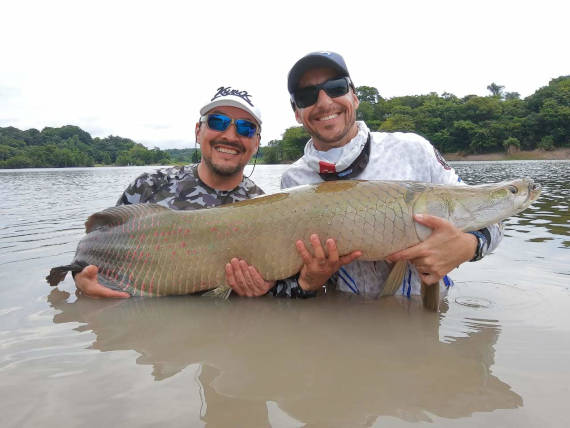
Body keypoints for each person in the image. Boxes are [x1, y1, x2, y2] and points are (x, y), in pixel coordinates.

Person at [269, 51, 503, 299]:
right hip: (346, 316)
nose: (325, 102)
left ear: (354, 97)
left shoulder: (413, 150)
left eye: (336, 87)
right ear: (296, 112)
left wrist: (468, 246)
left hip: (426, 317)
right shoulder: (293, 180)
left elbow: (493, 217)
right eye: (307, 96)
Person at [74, 85, 276, 298]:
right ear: (198, 131)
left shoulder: (269, 208)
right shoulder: (149, 186)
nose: (230, 136)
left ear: (256, 143)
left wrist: (267, 289)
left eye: (246, 128)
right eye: (219, 122)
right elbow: (95, 245)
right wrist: (81, 277)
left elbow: (289, 284)